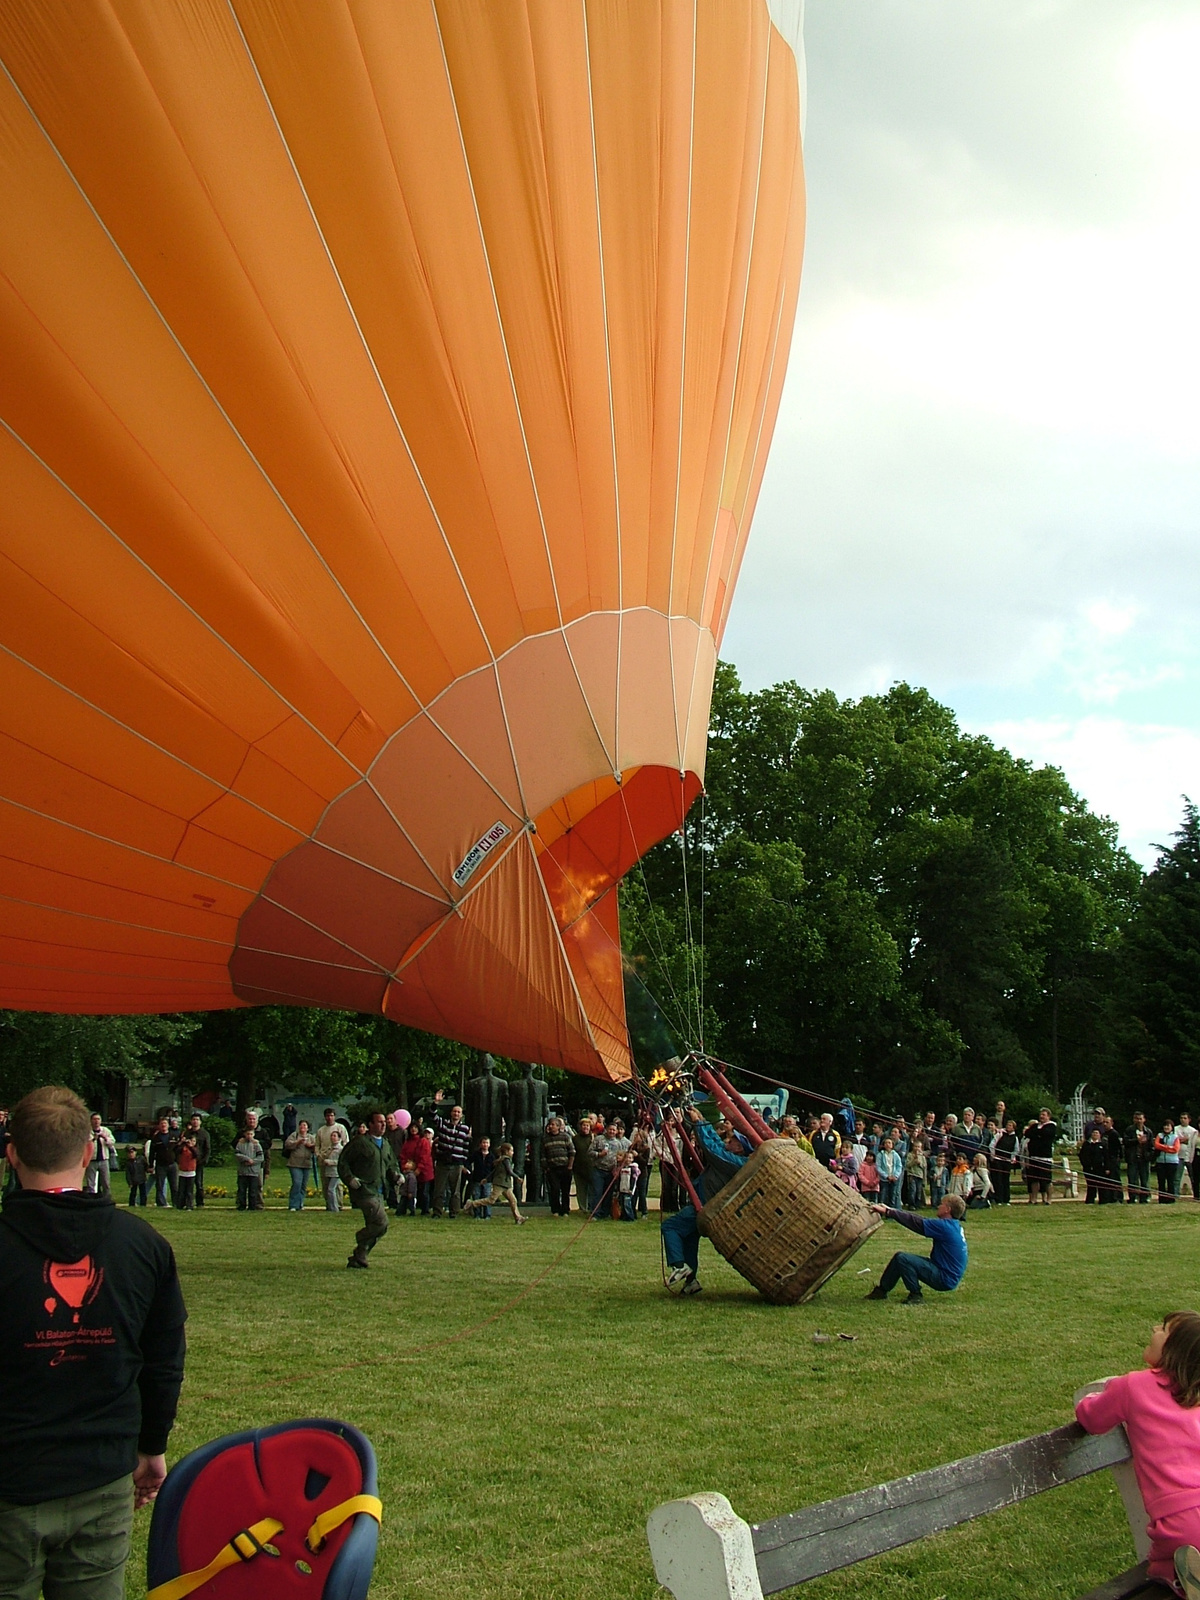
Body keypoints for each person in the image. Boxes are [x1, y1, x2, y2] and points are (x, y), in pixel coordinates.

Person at [0, 1086, 186, 1600]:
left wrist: (149, 1446)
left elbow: (163, 1358)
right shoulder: (142, 1244)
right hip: (98, 1474)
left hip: (39, 1476)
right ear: (88, 1152)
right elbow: (164, 1362)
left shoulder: (142, 1244)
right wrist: (152, 1446)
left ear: (12, 1152)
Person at [1075, 1312, 1200, 1597]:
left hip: (1178, 1521)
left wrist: (1092, 1399)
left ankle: (1180, 1582)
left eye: (1164, 1329)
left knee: (1159, 1571)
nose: (1155, 1329)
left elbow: (1091, 1418)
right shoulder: (1195, 1398)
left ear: (1173, 1350)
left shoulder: (1134, 1386)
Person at [661, 1107, 749, 1297]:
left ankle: (678, 1265)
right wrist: (700, 1119)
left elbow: (712, 1149)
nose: (729, 1140)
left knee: (670, 1227)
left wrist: (699, 1124)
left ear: (740, 1148)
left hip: (707, 1206)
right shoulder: (734, 1158)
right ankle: (691, 1282)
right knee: (690, 1238)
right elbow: (716, 1143)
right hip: (705, 1204)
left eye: (733, 1140)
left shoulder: (735, 1163)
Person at [864, 1194, 968, 1304]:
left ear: (948, 1209)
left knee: (903, 1259)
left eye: (941, 1204)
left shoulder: (945, 1227)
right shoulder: (953, 1225)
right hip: (946, 1273)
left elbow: (915, 1223)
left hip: (944, 1278)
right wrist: (891, 1210)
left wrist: (888, 1212)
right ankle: (881, 1291)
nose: (938, 1206)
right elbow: (920, 1219)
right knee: (899, 1257)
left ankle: (916, 1295)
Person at [338, 1111, 400, 1268]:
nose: (383, 1124)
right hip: (365, 1190)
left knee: (378, 1227)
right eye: (379, 1122)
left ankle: (359, 1256)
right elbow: (343, 1162)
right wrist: (349, 1179)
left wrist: (396, 1175)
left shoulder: (385, 1144)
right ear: (370, 1125)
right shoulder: (360, 1142)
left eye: (384, 1121)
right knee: (381, 1223)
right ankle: (360, 1238)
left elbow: (391, 1164)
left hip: (380, 1191)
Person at [462, 1141, 525, 1223]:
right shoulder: (506, 1160)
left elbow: (494, 1171)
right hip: (500, 1184)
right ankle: (472, 1203)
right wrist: (517, 1177)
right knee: (491, 1200)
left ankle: (518, 1218)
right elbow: (509, 1171)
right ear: (506, 1151)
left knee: (513, 1200)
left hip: (505, 1184)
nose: (513, 1153)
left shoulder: (501, 1160)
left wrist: (486, 1179)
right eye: (511, 1151)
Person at [431, 1105, 471, 1218]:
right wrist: (435, 1103)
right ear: (451, 1113)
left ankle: (454, 1212)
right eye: (454, 1111)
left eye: (458, 1112)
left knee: (456, 1191)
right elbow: (432, 1115)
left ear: (461, 1115)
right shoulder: (443, 1124)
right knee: (439, 1189)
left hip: (457, 1163)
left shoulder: (465, 1129)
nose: (456, 1114)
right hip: (443, 1162)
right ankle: (437, 1212)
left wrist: (463, 1163)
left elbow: (466, 1147)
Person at [314, 1107, 347, 1212]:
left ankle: (338, 1204)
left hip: (336, 1159)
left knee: (337, 1185)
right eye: (328, 1116)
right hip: (324, 1158)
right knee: (325, 1184)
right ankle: (329, 1204)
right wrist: (318, 1155)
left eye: (331, 1115)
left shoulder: (340, 1128)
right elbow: (317, 1145)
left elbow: (346, 1143)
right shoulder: (321, 1130)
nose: (329, 1118)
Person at [1023, 1108, 1058, 1205]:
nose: (1041, 1116)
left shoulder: (1051, 1126)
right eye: (1041, 1114)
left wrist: (1037, 1134)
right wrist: (1038, 1134)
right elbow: (1027, 1133)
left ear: (1048, 1116)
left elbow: (1046, 1134)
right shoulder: (1035, 1125)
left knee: (1047, 1180)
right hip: (1033, 1156)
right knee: (1034, 1179)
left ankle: (1049, 1199)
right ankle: (1034, 1199)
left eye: (1044, 1115)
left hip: (1045, 1157)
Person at [541, 1118, 575, 1217]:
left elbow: (572, 1151)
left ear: (558, 1127)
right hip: (552, 1168)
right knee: (554, 1190)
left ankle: (565, 1210)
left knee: (565, 1190)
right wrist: (546, 1167)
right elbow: (543, 1155)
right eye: (550, 1124)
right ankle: (555, 1209)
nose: (551, 1126)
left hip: (565, 1167)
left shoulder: (565, 1137)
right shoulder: (545, 1139)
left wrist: (570, 1166)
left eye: (553, 1124)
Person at [284, 1120, 316, 1211]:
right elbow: (287, 1145)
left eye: (305, 1125)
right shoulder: (294, 1135)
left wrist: (310, 1145)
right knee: (297, 1183)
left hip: (306, 1164)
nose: (303, 1127)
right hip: (295, 1163)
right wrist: (298, 1142)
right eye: (301, 1125)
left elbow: (316, 1147)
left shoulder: (311, 1137)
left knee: (303, 1185)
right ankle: (293, 1204)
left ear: (308, 1128)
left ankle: (300, 1203)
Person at [148, 1117, 178, 1208]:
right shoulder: (156, 1138)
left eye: (165, 1123)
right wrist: (150, 1164)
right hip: (160, 1165)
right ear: (159, 1126)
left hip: (172, 1164)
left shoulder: (173, 1136)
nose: (163, 1125)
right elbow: (152, 1152)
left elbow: (177, 1149)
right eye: (161, 1124)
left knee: (174, 1185)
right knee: (160, 1185)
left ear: (168, 1125)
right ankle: (161, 1203)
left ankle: (176, 1203)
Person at [1124, 1112, 1153, 1204]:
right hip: (1133, 1159)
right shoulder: (1129, 1130)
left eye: (1140, 1119)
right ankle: (1133, 1197)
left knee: (1145, 1180)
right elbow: (1126, 1142)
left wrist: (1149, 1156)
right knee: (1132, 1180)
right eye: (1137, 1119)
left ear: (1144, 1119)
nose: (1139, 1121)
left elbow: (1151, 1146)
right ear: (1134, 1119)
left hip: (1144, 1159)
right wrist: (1137, 1141)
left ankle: (1145, 1197)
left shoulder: (1148, 1131)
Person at [234, 1125, 264, 1211]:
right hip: (242, 1171)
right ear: (244, 1134)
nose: (249, 1136)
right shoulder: (240, 1144)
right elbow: (237, 1154)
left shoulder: (256, 1144)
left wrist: (253, 1161)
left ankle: (252, 1206)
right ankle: (241, 1205)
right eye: (248, 1134)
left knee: (253, 1190)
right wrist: (246, 1159)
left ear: (253, 1135)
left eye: (251, 1134)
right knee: (242, 1190)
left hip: (253, 1171)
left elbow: (261, 1157)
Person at [86, 1113, 116, 1195]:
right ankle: (91, 1199)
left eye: (98, 1119)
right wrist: (93, 1139)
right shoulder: (87, 1132)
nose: (96, 1121)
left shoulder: (105, 1131)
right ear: (91, 1121)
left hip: (104, 1160)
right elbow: (84, 1145)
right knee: (90, 1182)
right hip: (92, 1160)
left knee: (106, 1182)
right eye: (94, 1119)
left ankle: (106, 1198)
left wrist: (105, 1137)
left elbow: (112, 1142)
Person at [990, 1120, 1019, 1206]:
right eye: (1007, 1125)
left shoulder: (1015, 1138)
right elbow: (992, 1145)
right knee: (998, 1179)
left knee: (1005, 1180)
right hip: (998, 1159)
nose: (1008, 1126)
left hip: (1007, 1161)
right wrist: (993, 1156)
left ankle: (1006, 1199)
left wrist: (1011, 1158)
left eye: (1010, 1125)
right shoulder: (1000, 1134)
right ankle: (999, 1198)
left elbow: (1016, 1149)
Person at [572, 1115, 595, 1216]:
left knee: (592, 1189)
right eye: (584, 1125)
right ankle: (582, 1208)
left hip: (591, 1167)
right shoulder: (575, 1138)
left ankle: (591, 1207)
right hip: (578, 1167)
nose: (585, 1127)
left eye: (587, 1126)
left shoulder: (594, 1138)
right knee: (581, 1189)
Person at [185, 1114, 210, 1207]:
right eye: (193, 1119)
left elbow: (207, 1148)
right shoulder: (187, 1133)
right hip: (188, 1162)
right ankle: (187, 1201)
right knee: (187, 1182)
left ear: (200, 1122)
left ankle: (200, 1202)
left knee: (199, 1183)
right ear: (191, 1121)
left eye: (197, 1119)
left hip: (199, 1162)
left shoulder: (204, 1134)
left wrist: (204, 1160)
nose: (195, 1121)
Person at [1156, 1121, 1183, 1205]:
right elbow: (1156, 1145)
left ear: (1172, 1127)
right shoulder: (1159, 1135)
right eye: (1165, 1126)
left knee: (1171, 1181)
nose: (1166, 1128)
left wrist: (1163, 1147)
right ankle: (1162, 1199)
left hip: (1172, 1162)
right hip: (1160, 1161)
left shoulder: (1175, 1137)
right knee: (1161, 1181)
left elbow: (1175, 1149)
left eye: (1168, 1126)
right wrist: (1168, 1147)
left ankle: (1171, 1198)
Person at [467, 1137, 495, 1219]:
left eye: (487, 1143)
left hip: (487, 1180)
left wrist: (490, 1178)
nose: (485, 1144)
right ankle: (477, 1214)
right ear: (480, 1144)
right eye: (483, 1143)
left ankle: (487, 1214)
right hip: (477, 1179)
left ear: (489, 1144)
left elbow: (493, 1169)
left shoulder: (491, 1156)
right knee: (476, 1196)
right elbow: (468, 1162)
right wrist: (470, 1171)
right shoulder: (476, 1154)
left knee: (487, 1197)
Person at [1080, 1128, 1107, 1204]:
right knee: (1091, 1185)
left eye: (1097, 1133)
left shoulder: (1103, 1144)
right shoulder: (1086, 1144)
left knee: (1101, 1185)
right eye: (1094, 1133)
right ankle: (1090, 1200)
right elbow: (1082, 1156)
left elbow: (1106, 1156)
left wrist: (1106, 1167)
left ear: (1100, 1135)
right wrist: (1086, 1165)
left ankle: (1103, 1200)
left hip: (1100, 1168)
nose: (1095, 1134)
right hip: (1089, 1168)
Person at [1177, 1113, 1198, 1201]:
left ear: (1189, 1119)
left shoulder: (1193, 1131)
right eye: (1181, 1118)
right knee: (1177, 1177)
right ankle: (1175, 1194)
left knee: (1193, 1177)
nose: (1183, 1119)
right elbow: (1176, 1140)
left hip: (1190, 1156)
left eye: (1185, 1118)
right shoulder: (1176, 1129)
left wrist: (1184, 1140)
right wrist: (1183, 1140)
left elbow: (1192, 1143)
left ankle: (1196, 1194)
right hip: (1178, 1156)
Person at [876, 1137, 903, 1208]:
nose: (887, 1144)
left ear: (892, 1145)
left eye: (889, 1143)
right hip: (884, 1179)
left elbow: (899, 1166)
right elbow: (878, 1167)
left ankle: (891, 1212)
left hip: (894, 1178)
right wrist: (886, 1176)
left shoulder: (896, 1155)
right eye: (886, 1143)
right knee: (883, 1195)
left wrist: (896, 1176)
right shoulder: (880, 1155)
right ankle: (881, 1211)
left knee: (892, 1196)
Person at [175, 1132, 198, 1209]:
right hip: (182, 1172)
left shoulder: (194, 1149)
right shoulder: (183, 1149)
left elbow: (196, 1155)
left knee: (189, 1191)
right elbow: (176, 1151)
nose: (192, 1143)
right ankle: (180, 1204)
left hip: (191, 1172)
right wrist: (181, 1143)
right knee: (181, 1190)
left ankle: (189, 1205)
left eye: (194, 1141)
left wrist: (191, 1146)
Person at [904, 1143, 927, 1209]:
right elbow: (907, 1165)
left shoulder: (922, 1156)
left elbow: (924, 1167)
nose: (917, 1148)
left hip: (920, 1175)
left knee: (918, 1190)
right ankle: (911, 1204)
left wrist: (919, 1164)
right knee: (912, 1190)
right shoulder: (909, 1155)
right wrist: (913, 1161)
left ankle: (918, 1203)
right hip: (912, 1174)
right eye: (915, 1146)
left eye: (918, 1147)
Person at [124, 1142, 148, 1206]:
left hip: (142, 1178)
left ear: (135, 1152)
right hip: (133, 1180)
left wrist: (147, 1170)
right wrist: (129, 1182)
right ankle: (131, 1204)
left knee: (143, 1192)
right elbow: (128, 1174)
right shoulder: (128, 1163)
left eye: (132, 1152)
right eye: (129, 1153)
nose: (131, 1154)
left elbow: (146, 1166)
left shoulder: (141, 1159)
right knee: (133, 1193)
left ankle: (143, 1204)